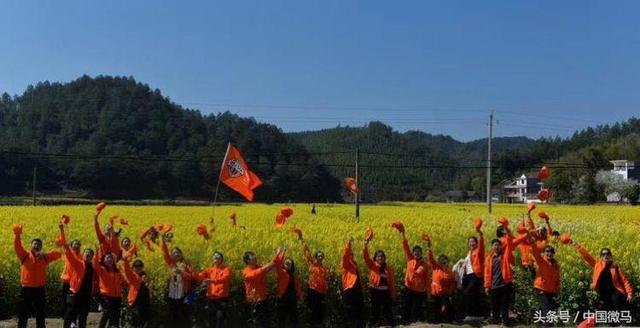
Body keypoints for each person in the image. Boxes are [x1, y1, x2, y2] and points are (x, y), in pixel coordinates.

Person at [13, 225, 62, 328]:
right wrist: (17, 235)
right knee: (23, 313)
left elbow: (59, 254)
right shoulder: (24, 255)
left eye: (39, 245)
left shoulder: (45, 258)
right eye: (35, 244)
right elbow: (17, 246)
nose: (36, 246)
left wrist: (44, 254)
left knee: (40, 313)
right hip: (26, 289)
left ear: (41, 247)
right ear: (31, 246)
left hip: (39, 289)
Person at [572, 240, 634, 312]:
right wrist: (578, 247)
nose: (606, 256)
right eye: (603, 254)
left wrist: (629, 293)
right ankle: (614, 322)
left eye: (608, 254)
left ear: (611, 256)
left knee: (615, 300)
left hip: (615, 291)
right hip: (604, 292)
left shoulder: (616, 268)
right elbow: (587, 257)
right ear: (601, 257)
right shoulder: (597, 265)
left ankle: (621, 322)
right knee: (607, 309)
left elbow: (625, 281)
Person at [59, 224, 96, 328]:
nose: (88, 254)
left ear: (92, 256)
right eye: (86, 253)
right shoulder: (77, 262)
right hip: (75, 291)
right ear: (83, 255)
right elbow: (66, 247)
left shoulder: (94, 266)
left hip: (86, 294)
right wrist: (62, 231)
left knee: (83, 315)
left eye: (90, 253)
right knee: (70, 312)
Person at [485, 220, 518, 326]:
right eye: (494, 245)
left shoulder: (505, 256)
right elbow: (486, 273)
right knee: (494, 305)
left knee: (504, 305)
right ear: (492, 247)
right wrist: (487, 285)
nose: (496, 247)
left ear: (501, 246)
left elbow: (509, 239)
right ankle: (495, 321)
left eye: (498, 245)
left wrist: (506, 227)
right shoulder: (489, 258)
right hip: (494, 285)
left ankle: (505, 321)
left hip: (504, 284)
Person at [242, 248, 283, 328]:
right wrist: (276, 256)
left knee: (266, 322)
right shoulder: (246, 272)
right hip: (254, 301)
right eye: (252, 257)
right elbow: (262, 270)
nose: (255, 258)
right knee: (256, 323)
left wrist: (281, 254)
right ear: (247, 261)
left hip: (264, 299)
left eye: (254, 256)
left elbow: (272, 265)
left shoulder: (258, 267)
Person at [396, 228, 429, 324]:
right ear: (413, 253)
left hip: (419, 290)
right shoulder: (410, 260)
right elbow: (405, 247)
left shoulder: (425, 265)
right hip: (409, 287)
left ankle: (416, 322)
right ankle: (405, 321)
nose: (417, 253)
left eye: (419, 251)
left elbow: (427, 279)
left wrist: (428, 292)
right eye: (415, 251)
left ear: (421, 253)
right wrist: (402, 233)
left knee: (417, 307)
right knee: (406, 305)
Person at [363, 235, 396, 327]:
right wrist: (365, 245)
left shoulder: (388, 268)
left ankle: (391, 324)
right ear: (375, 258)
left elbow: (392, 282)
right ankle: (375, 324)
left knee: (387, 309)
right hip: (375, 291)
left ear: (384, 258)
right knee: (375, 308)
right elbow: (366, 257)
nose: (380, 258)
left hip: (385, 291)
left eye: (381, 256)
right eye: (378, 256)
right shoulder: (372, 265)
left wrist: (393, 294)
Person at [161, 237, 194, 327]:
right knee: (173, 316)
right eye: (174, 253)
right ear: (172, 255)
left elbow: (191, 277)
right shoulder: (170, 263)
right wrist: (163, 240)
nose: (176, 254)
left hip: (184, 293)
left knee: (184, 317)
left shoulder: (187, 263)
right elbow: (164, 253)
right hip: (172, 293)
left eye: (178, 252)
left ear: (181, 253)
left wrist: (182, 273)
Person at [196, 252, 232, 328]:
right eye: (214, 256)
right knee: (211, 320)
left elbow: (225, 278)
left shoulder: (226, 269)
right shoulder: (209, 270)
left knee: (220, 319)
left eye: (218, 256)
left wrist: (212, 281)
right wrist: (194, 272)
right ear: (212, 259)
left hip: (222, 299)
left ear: (222, 259)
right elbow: (199, 277)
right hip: (211, 299)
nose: (216, 257)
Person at [426, 239, 456, 323]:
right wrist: (429, 247)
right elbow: (430, 258)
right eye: (442, 261)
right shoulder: (436, 267)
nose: (443, 262)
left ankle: (447, 320)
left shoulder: (450, 272)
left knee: (445, 308)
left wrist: (449, 291)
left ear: (447, 262)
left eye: (445, 261)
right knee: (435, 309)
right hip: (435, 293)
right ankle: (436, 321)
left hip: (444, 294)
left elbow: (452, 283)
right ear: (439, 262)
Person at [93, 252, 124, 328]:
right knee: (106, 313)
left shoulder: (117, 271)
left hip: (117, 296)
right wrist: (97, 253)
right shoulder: (102, 270)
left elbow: (122, 281)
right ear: (104, 260)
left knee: (116, 315)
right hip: (106, 295)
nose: (109, 259)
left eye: (111, 258)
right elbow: (95, 264)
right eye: (107, 258)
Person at [531, 245, 560, 327]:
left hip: (551, 290)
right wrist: (532, 242)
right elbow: (536, 252)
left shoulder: (556, 265)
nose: (549, 253)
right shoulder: (541, 261)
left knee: (550, 308)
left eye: (551, 252)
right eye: (547, 251)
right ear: (543, 253)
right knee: (547, 308)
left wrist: (557, 290)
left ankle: (540, 324)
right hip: (541, 289)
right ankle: (548, 325)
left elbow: (557, 279)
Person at [301, 241, 328, 327]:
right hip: (313, 290)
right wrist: (302, 240)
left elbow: (327, 278)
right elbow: (307, 253)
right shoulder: (312, 264)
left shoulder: (324, 268)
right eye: (319, 255)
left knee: (320, 312)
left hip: (322, 292)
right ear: (316, 257)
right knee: (312, 310)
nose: (320, 257)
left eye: (322, 255)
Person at [462, 222, 485, 322]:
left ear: (476, 243)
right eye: (470, 242)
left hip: (476, 276)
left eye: (473, 242)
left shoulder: (478, 251)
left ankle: (471, 314)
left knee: (468, 293)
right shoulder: (469, 252)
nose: (471, 243)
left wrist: (480, 234)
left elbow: (482, 245)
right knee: (474, 295)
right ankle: (476, 315)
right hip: (468, 276)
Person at [341, 237, 365, 328]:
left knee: (359, 309)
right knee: (349, 309)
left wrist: (362, 288)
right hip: (349, 289)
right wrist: (348, 245)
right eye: (349, 254)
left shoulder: (354, 263)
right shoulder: (345, 263)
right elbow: (345, 256)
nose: (351, 255)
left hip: (357, 289)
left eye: (352, 254)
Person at [122, 258, 151, 328]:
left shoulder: (146, 275)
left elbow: (150, 285)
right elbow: (127, 270)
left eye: (140, 266)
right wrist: (126, 260)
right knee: (136, 318)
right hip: (135, 302)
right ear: (133, 268)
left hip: (145, 301)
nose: (138, 267)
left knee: (144, 320)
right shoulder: (132, 275)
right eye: (136, 266)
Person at [275, 255, 302, 327]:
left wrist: (300, 295)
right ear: (283, 264)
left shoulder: (295, 275)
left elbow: (298, 286)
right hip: (283, 298)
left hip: (292, 298)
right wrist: (281, 253)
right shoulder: (281, 272)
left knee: (293, 318)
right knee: (281, 318)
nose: (288, 265)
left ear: (292, 265)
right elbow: (277, 263)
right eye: (286, 263)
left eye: (290, 264)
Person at [60, 235, 82, 318]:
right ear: (71, 246)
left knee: (74, 300)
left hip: (76, 282)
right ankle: (65, 316)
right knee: (65, 300)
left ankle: (72, 317)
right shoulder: (68, 254)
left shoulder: (81, 257)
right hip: (67, 281)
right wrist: (62, 230)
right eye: (74, 244)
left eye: (78, 244)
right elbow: (64, 244)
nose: (76, 246)